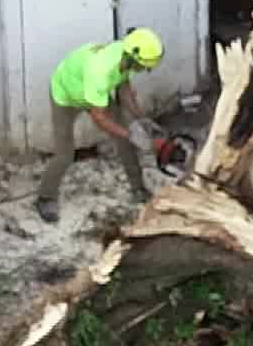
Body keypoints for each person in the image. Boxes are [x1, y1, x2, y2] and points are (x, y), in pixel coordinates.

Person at [38, 27, 164, 218]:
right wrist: (131, 135)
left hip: (93, 93)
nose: (144, 71)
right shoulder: (101, 71)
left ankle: (138, 189)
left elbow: (125, 92)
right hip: (66, 95)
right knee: (64, 154)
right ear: (133, 59)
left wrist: (142, 119)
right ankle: (45, 198)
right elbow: (99, 119)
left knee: (125, 142)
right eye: (143, 67)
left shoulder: (125, 56)